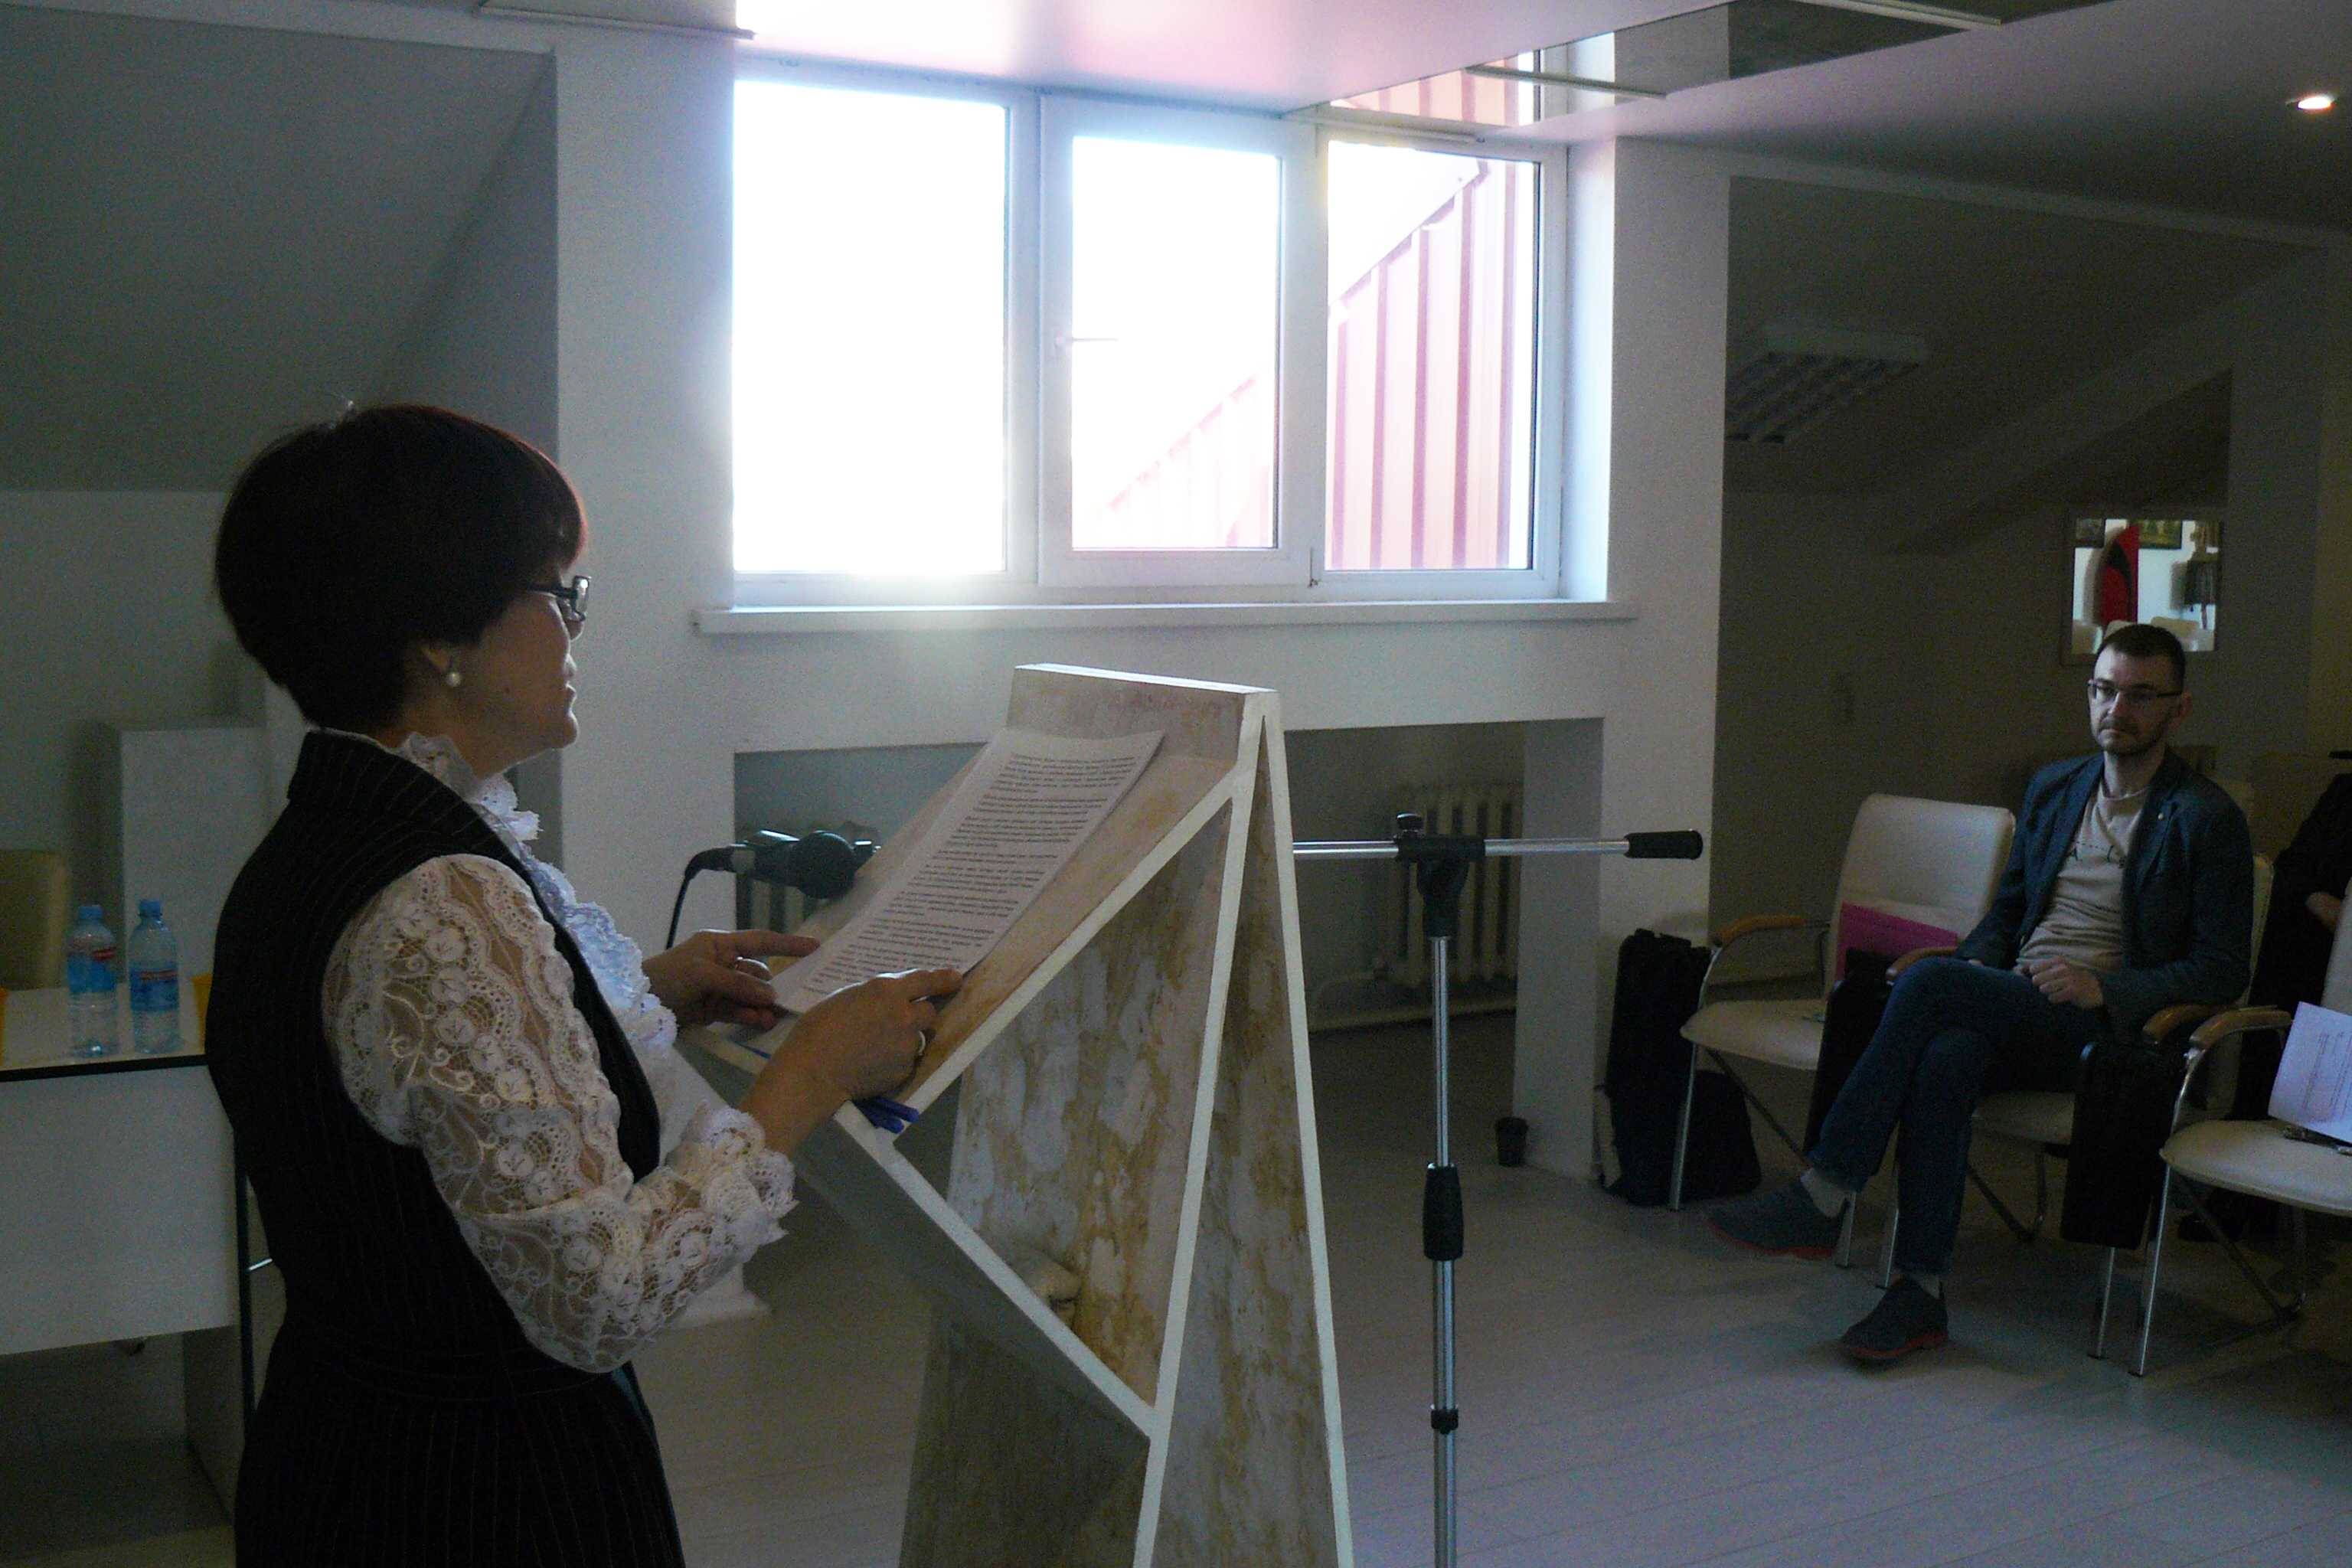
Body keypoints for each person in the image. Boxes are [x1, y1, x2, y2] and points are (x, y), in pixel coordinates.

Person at [206, 405, 960, 1566]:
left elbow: (401, 1078)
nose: (573, 628)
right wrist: (804, 1081)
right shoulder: (443, 903)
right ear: (437, 638)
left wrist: (626, 993)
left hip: (341, 1445)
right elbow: (599, 1299)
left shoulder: (330, 834)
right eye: (557, 594)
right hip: (480, 1495)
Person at [1704, 623, 2252, 1364]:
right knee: (1945, 1058)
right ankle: (1918, 1292)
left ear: (2178, 709)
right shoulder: (2057, 787)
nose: (2117, 709)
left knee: (1928, 982)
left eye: (2140, 696)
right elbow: (2007, 914)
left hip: (2105, 1031)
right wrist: (1973, 973)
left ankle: (1825, 1191)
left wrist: (2104, 985)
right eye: (2104, 689)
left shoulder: (2205, 817)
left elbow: (2221, 969)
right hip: (2018, 1000)